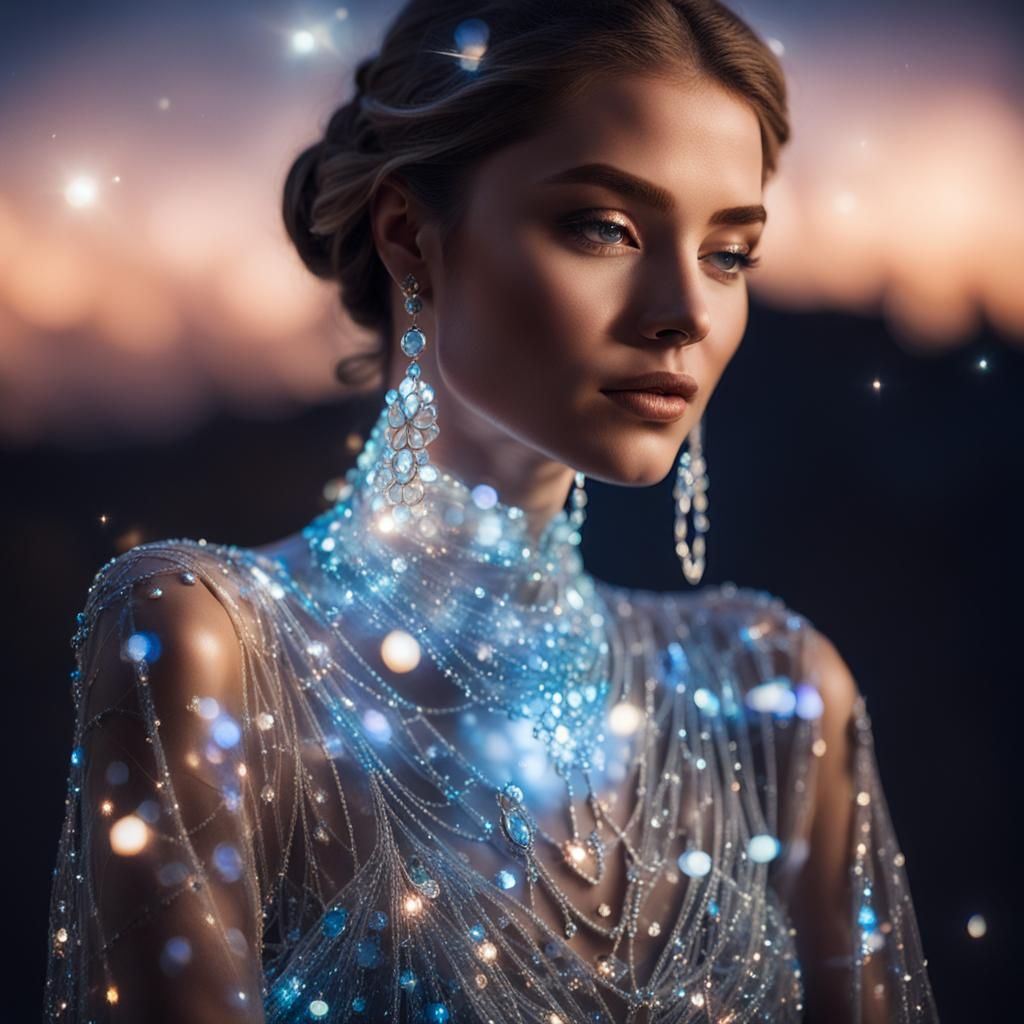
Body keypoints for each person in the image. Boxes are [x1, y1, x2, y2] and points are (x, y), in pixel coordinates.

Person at [42, 1, 940, 1021]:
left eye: (728, 253)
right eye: (603, 226)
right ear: (407, 236)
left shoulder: (772, 697)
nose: (685, 311)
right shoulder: (208, 641)